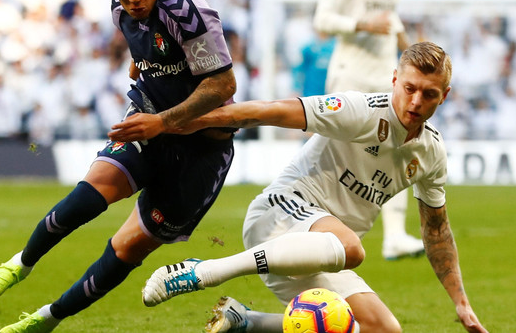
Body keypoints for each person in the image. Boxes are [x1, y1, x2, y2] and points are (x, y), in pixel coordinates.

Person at [0, 0, 237, 331]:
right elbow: (150, 43)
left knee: (125, 248)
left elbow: (223, 84)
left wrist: (163, 122)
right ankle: (19, 265)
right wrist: (143, 64)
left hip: (201, 151)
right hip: (149, 117)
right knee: (91, 192)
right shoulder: (119, 7)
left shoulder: (188, 12)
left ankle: (46, 319)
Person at [135, 42, 488, 333]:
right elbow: (271, 110)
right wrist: (173, 121)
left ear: (444, 96)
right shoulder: (361, 111)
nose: (415, 102)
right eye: (409, 88)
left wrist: (461, 303)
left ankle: (246, 323)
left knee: (382, 330)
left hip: (319, 255)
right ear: (395, 79)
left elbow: (436, 230)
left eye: (429, 94)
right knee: (352, 248)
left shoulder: (431, 152)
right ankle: (205, 271)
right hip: (278, 215)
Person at [313, 0, 420, 261]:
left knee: (399, 149)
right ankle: (316, 231)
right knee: (339, 156)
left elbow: (392, 19)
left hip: (385, 76)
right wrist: (361, 24)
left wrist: (413, 53)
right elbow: (322, 20)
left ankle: (395, 237)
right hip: (350, 75)